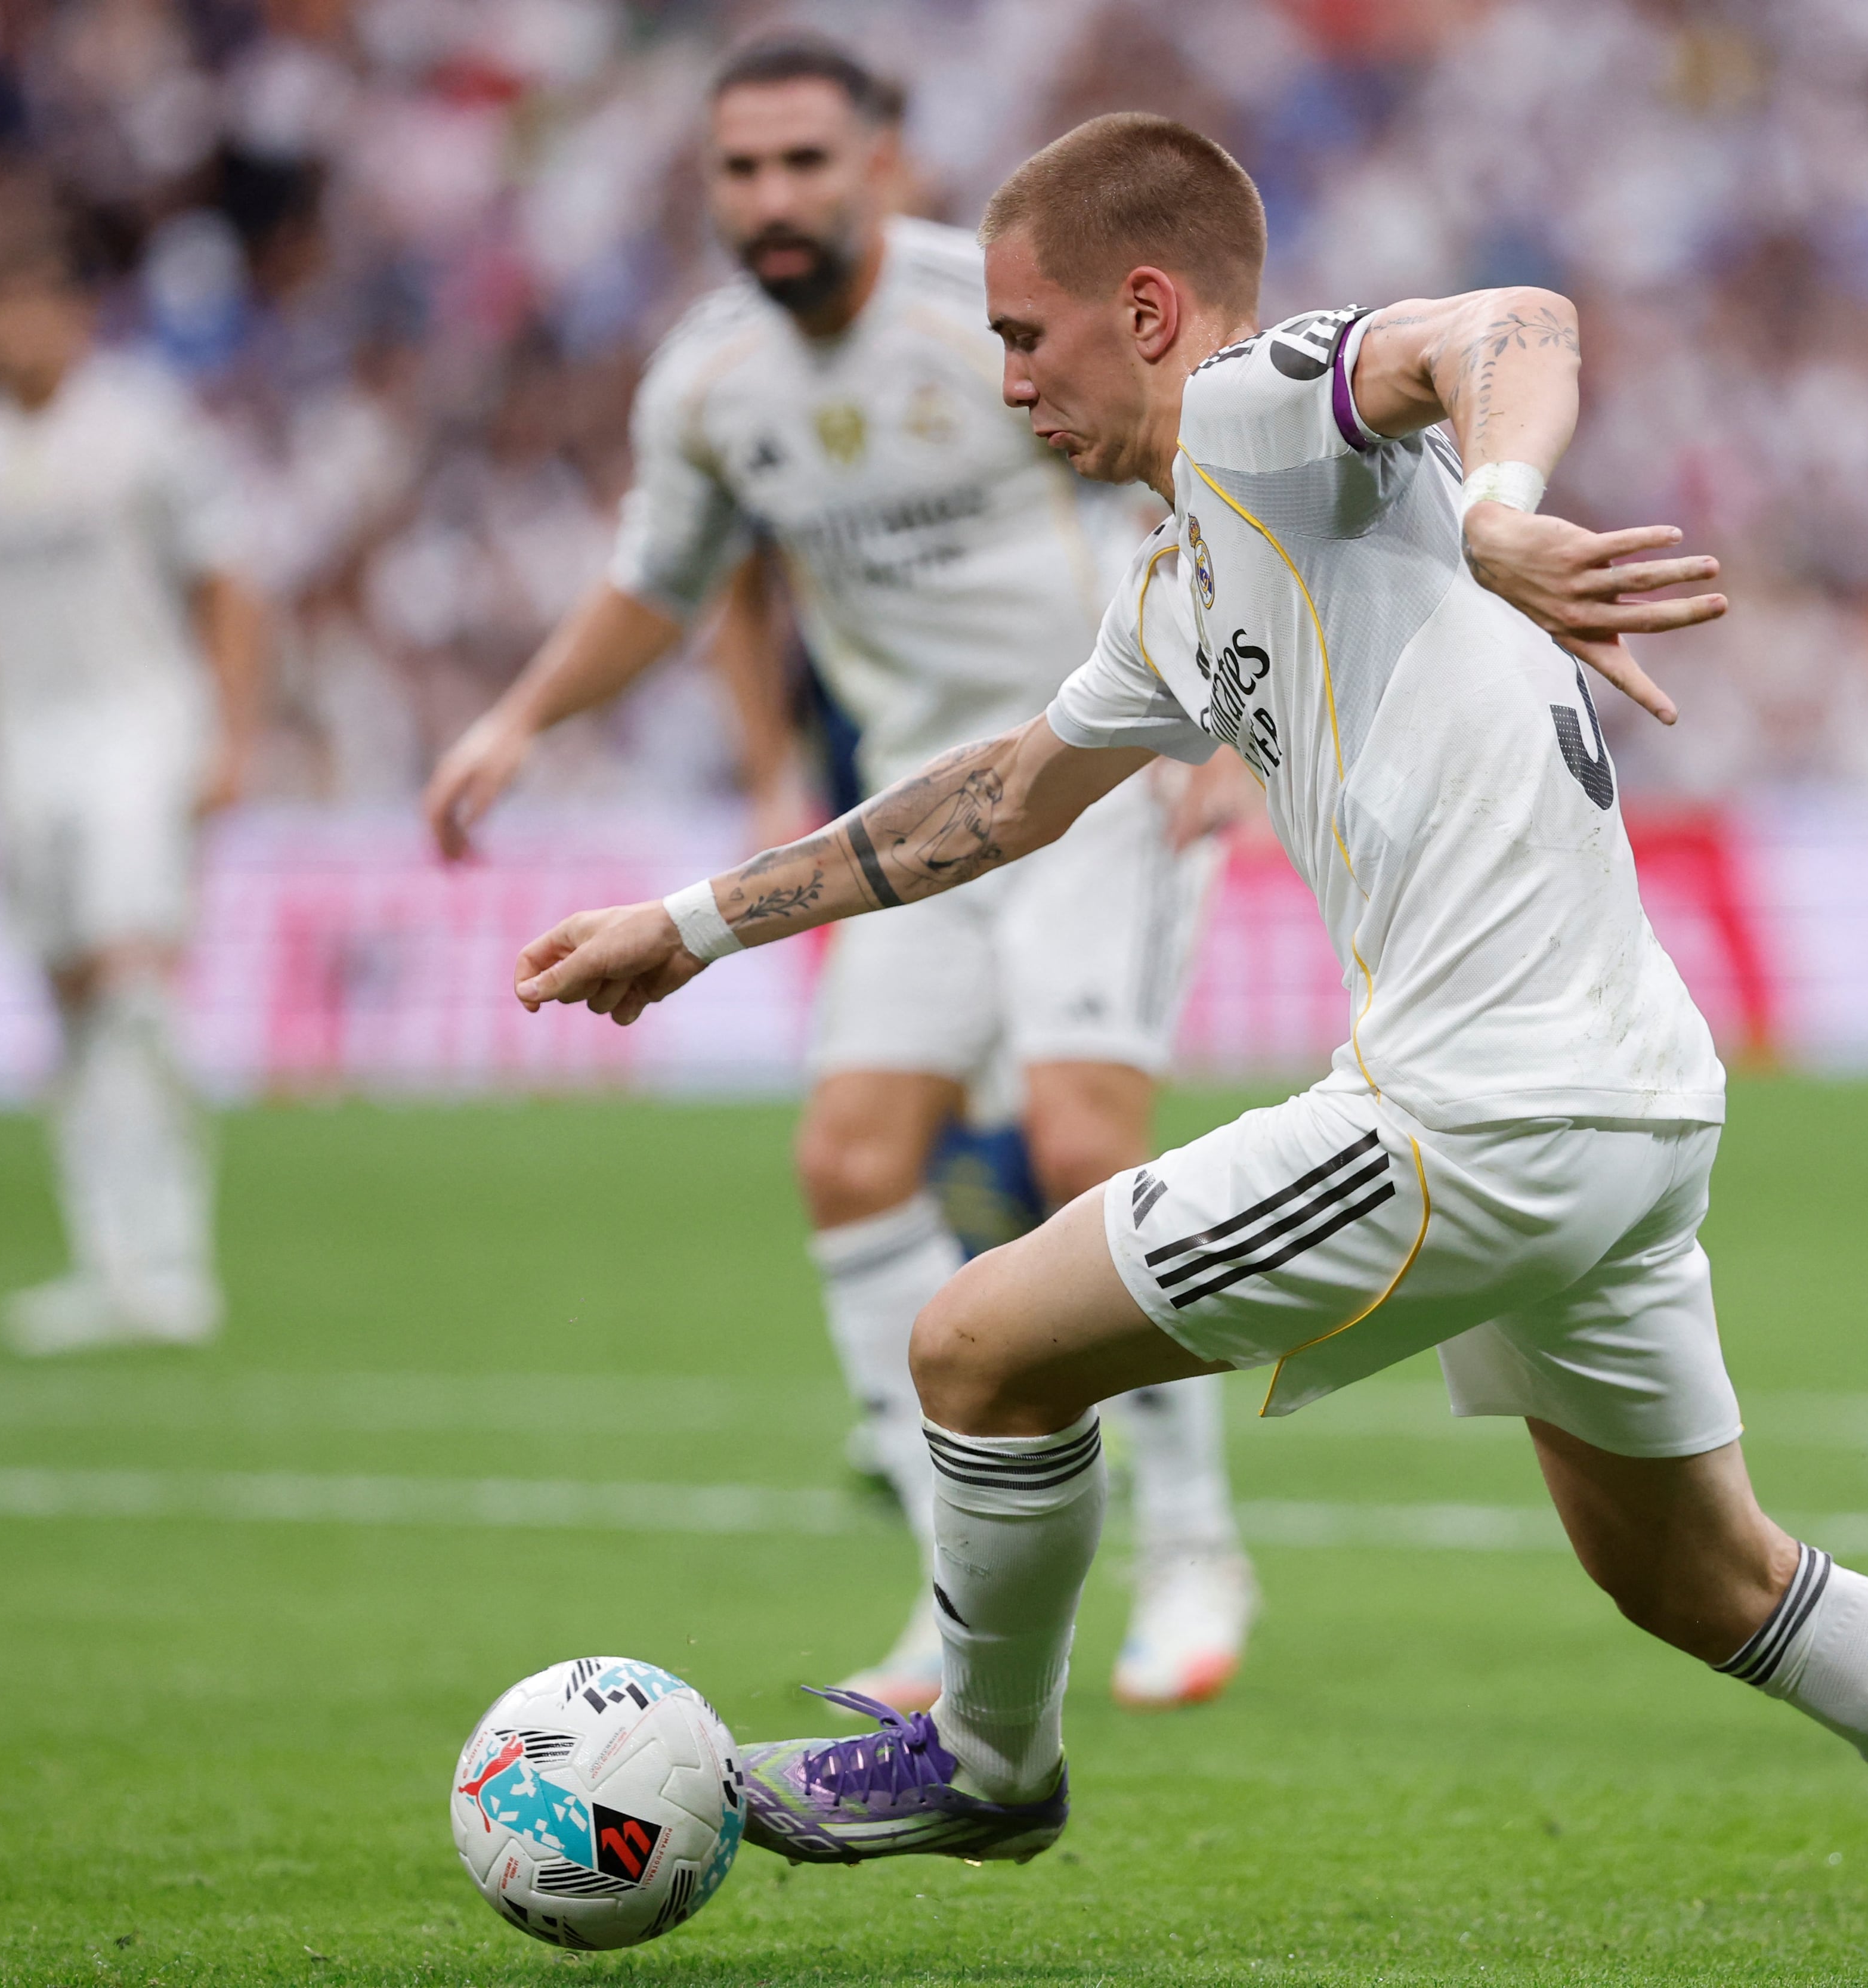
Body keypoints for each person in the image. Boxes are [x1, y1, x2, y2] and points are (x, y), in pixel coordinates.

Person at [512, 113, 1868, 1962]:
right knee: (1705, 1575)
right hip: (1624, 1106)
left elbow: (1508, 321)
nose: (1008, 379)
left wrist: (1502, 506)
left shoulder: (1260, 414)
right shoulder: (1181, 574)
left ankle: (985, 1757)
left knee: (976, 1344)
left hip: (1480, 1115)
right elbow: (1003, 795)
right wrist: (692, 924)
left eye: (1027, 337)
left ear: (1146, 311)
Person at [422, 38, 1259, 1712]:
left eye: (806, 161)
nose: (773, 198)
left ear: (882, 162)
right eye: (741, 170)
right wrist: (522, 714)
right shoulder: (711, 380)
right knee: (851, 1159)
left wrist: (1226, 719)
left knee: (1081, 1144)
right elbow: (660, 584)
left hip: (1100, 771)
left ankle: (1191, 1544)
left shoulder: (1001, 316)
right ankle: (961, 1579)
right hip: (910, 817)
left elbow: (1189, 468)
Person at [0, 217, 261, 1356]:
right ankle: (106, 1259)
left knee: (131, 974)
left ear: (76, 315)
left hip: (138, 729)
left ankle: (173, 1257)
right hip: (25, 750)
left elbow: (227, 582)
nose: (13, 330)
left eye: (33, 305)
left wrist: (230, 735)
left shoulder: (144, 430)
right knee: (66, 999)